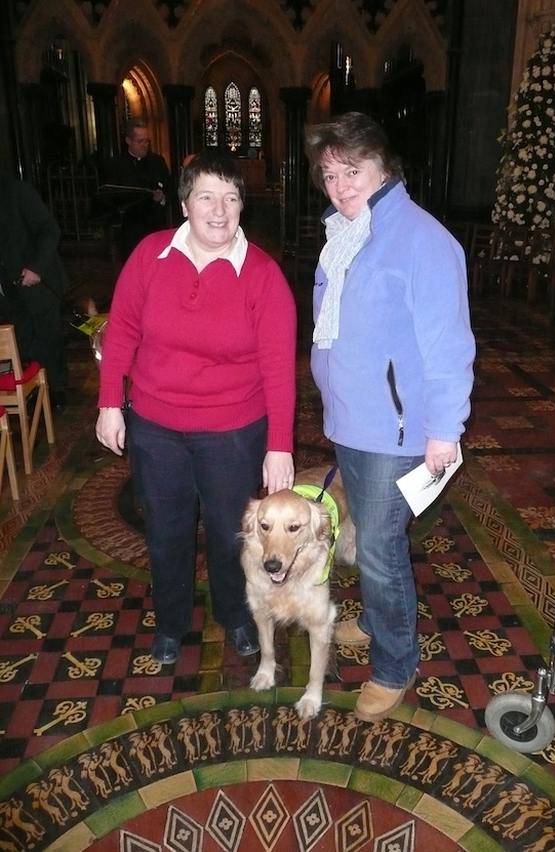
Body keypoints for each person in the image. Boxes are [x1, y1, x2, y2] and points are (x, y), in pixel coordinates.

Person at [304, 112, 475, 723]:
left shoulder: (423, 240)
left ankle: (395, 664)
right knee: (370, 540)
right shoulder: (346, 234)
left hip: (395, 431)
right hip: (351, 420)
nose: (341, 185)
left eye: (353, 170)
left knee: (378, 549)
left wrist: (444, 430)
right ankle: (376, 617)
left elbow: (449, 344)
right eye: (329, 174)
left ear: (383, 167)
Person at [95, 150, 297, 665]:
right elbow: (121, 330)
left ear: (241, 207)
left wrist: (279, 446)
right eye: (206, 196)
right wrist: (110, 403)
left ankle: (234, 614)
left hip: (233, 429)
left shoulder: (263, 275)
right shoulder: (149, 256)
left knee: (233, 532)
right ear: (184, 203)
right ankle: (171, 620)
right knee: (165, 529)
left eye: (231, 198)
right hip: (156, 425)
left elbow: (278, 368)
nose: (219, 210)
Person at [0, 175, 69, 409]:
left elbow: (49, 230)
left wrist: (35, 267)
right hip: (7, 286)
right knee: (22, 340)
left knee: (48, 338)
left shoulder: (17, 190)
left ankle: (56, 390)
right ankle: (33, 393)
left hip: (37, 280)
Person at [105, 119, 173, 260]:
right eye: (140, 141)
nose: (145, 145)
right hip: (131, 230)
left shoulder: (157, 162)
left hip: (156, 227)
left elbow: (171, 190)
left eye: (147, 141)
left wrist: (162, 197)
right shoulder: (116, 164)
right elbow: (111, 197)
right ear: (128, 141)